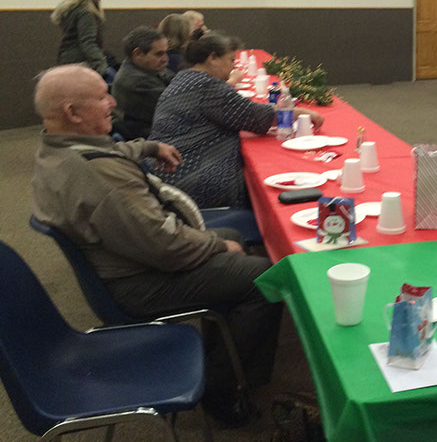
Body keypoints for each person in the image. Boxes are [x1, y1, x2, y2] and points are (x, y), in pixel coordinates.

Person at [30, 64, 282, 426]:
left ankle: (226, 354)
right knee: (264, 278)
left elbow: (111, 152)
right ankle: (223, 392)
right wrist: (214, 246)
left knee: (234, 240)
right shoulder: (99, 178)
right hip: (139, 281)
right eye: (102, 97)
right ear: (73, 112)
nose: (113, 102)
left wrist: (150, 146)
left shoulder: (59, 148)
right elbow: (165, 247)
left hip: (124, 262)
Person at [150, 32, 323, 209]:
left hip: (168, 172)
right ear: (213, 58)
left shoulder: (185, 77)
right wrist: (299, 112)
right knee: (263, 183)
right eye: (231, 60)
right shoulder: (207, 85)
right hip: (189, 176)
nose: (233, 67)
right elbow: (254, 116)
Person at [51, 0, 117, 82]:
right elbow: (87, 42)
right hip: (80, 62)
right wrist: (101, 65)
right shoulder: (86, 13)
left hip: (67, 59)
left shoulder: (73, 10)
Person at [111, 26, 175, 140]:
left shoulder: (144, 67)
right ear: (138, 53)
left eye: (166, 53)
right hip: (152, 137)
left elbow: (172, 78)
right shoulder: (137, 82)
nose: (165, 59)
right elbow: (179, 106)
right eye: (159, 54)